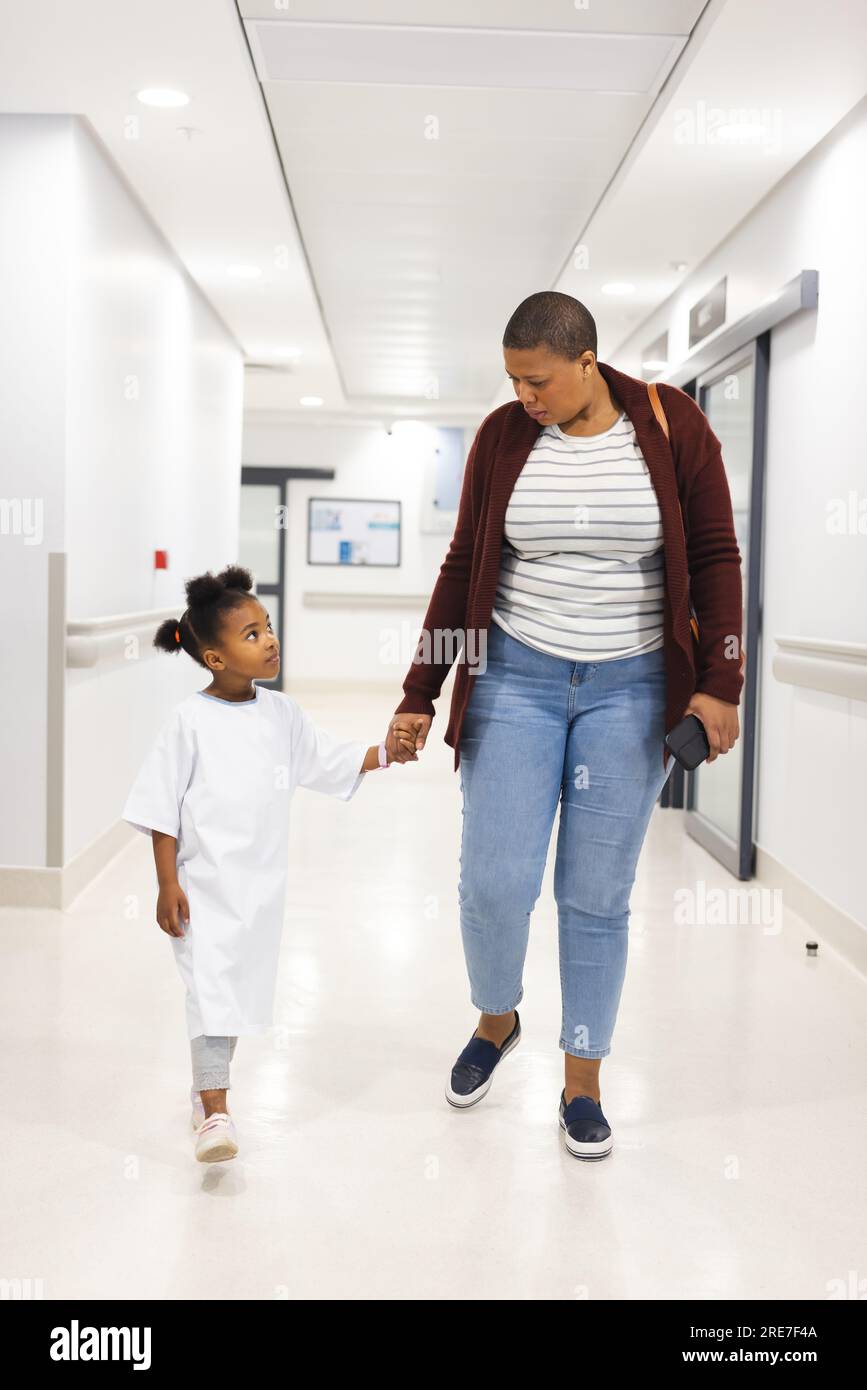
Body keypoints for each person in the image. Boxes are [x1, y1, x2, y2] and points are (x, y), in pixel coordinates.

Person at [382, 292, 744, 1161]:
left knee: (595, 895)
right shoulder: (504, 437)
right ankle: (496, 1018)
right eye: (511, 380)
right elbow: (465, 560)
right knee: (494, 881)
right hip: (514, 678)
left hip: (630, 688)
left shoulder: (669, 422)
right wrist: (419, 690)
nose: (523, 396)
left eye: (536, 380)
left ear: (586, 362)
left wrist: (722, 682)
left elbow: (713, 556)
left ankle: (581, 1077)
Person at [122, 564, 417, 1164]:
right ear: (214, 658)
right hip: (202, 890)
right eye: (251, 635)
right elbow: (161, 811)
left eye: (268, 627)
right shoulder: (189, 722)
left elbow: (329, 760)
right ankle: (217, 1111)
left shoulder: (281, 715)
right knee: (208, 990)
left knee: (228, 994)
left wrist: (387, 752)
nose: (269, 640)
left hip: (257, 893)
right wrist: (167, 883)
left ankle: (207, 1094)